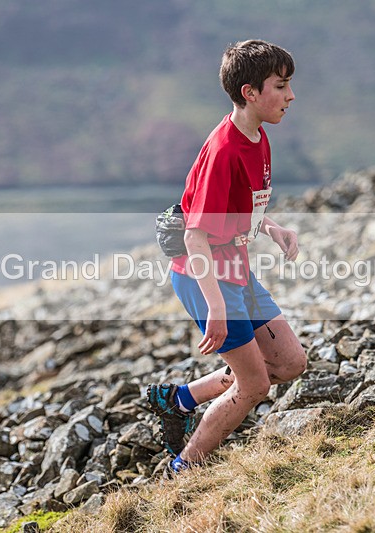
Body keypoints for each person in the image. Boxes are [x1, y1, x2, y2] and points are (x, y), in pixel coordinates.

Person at [146, 39, 308, 476]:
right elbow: (196, 237)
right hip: (206, 280)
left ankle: (179, 399)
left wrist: (273, 228)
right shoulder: (223, 152)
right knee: (254, 384)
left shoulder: (257, 135)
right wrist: (216, 307)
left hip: (236, 269)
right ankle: (183, 468)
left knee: (290, 362)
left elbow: (247, 204)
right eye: (281, 85)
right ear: (250, 93)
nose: (291, 95)